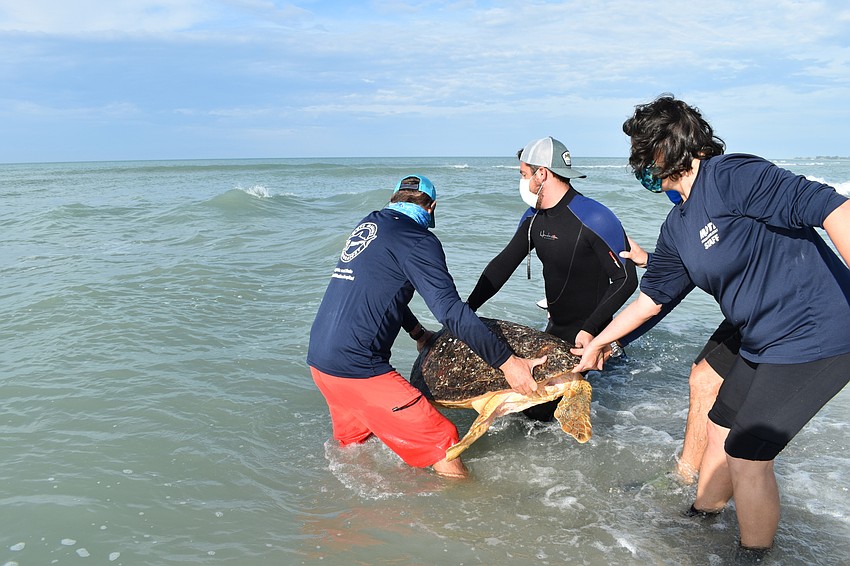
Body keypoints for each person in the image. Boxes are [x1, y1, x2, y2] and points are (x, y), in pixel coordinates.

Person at [573, 94, 850, 554]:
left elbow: (834, 208)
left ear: (663, 150)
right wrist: (599, 342)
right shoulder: (678, 224)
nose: (639, 166)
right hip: (761, 337)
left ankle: (754, 555)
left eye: (641, 154)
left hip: (817, 333)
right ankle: (703, 515)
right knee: (720, 423)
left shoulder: (732, 176)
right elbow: (652, 297)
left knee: (748, 454)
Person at [307, 175, 546, 479]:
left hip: (320, 361)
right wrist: (508, 363)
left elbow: (380, 290)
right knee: (444, 440)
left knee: (357, 448)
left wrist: (418, 334)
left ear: (395, 199)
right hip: (357, 368)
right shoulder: (417, 240)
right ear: (432, 207)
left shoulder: (370, 225)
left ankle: (354, 518)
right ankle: (463, 519)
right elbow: (451, 312)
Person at [467, 136, 638, 421]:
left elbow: (625, 279)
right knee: (519, 408)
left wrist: (592, 330)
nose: (522, 182)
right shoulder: (534, 216)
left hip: (592, 338)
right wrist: (467, 309)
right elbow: (503, 264)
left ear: (541, 174)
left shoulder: (594, 217)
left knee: (544, 415)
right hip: (556, 329)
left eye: (523, 174)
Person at [619, 237, 741, 485]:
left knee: (705, 380)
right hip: (747, 312)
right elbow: (683, 277)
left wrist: (608, 343)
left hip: (777, 308)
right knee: (702, 375)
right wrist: (650, 261)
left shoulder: (712, 206)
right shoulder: (682, 218)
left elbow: (657, 302)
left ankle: (697, 479)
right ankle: (691, 473)